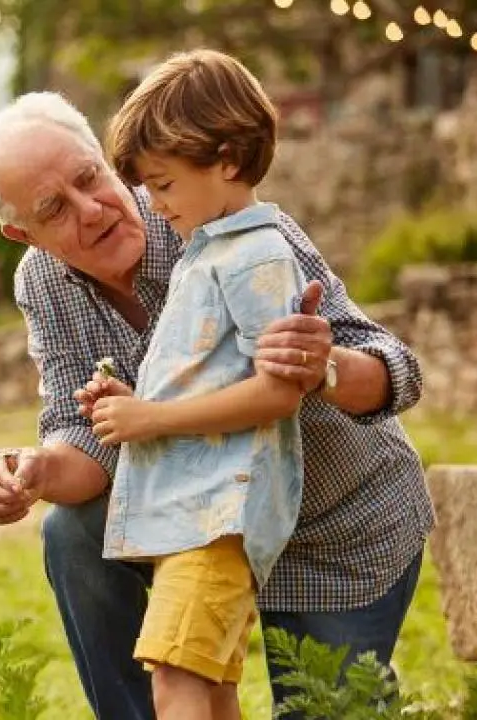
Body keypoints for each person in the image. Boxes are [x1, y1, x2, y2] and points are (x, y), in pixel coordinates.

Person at [0, 87, 434, 719]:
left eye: (89, 177)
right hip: (200, 527)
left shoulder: (221, 215)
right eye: (56, 207)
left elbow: (395, 371)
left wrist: (321, 364)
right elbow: (85, 434)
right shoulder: (42, 282)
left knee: (329, 710)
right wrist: (38, 470)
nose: (94, 207)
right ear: (22, 233)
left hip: (331, 526)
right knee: (73, 531)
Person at [80, 49, 309, 719]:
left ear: (229, 160)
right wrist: (130, 404)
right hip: (193, 513)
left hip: (219, 517)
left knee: (174, 678)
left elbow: (279, 391)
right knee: (207, 685)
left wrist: (149, 420)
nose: (153, 203)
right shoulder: (207, 250)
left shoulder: (257, 255)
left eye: (165, 183)